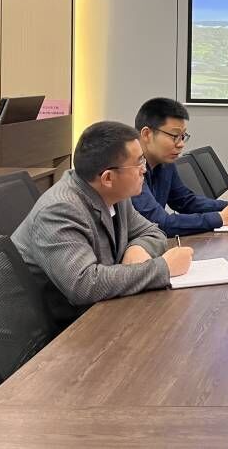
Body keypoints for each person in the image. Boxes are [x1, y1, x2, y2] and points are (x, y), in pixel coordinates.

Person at [12, 121, 193, 326]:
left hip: (95, 312)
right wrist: (163, 268)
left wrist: (137, 248)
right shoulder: (59, 210)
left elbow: (152, 231)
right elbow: (84, 285)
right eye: (138, 163)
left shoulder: (116, 194)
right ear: (108, 178)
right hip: (52, 330)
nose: (144, 169)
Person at [130, 97, 228, 237]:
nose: (181, 144)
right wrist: (221, 218)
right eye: (175, 136)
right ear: (147, 134)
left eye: (183, 136)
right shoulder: (128, 169)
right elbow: (159, 223)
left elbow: (186, 202)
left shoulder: (166, 163)